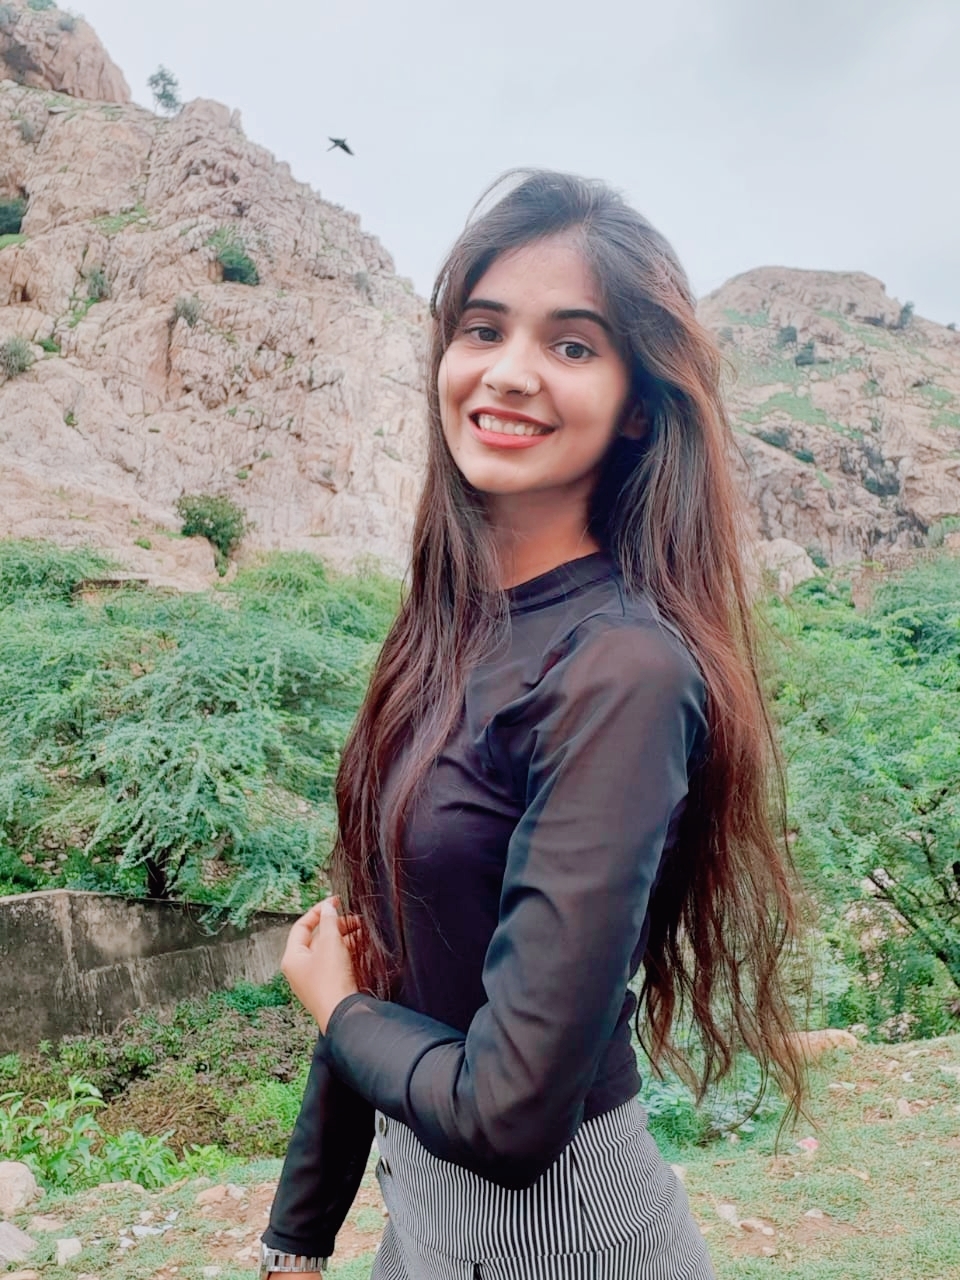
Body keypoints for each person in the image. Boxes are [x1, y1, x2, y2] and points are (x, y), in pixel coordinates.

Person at [258, 169, 807, 1280]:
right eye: (484, 328)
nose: (510, 370)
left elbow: (508, 1113)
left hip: (564, 1242)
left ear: (637, 404)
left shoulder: (622, 668)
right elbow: (384, 954)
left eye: (571, 344)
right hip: (421, 1233)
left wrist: (339, 1010)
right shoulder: (447, 630)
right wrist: (295, 1240)